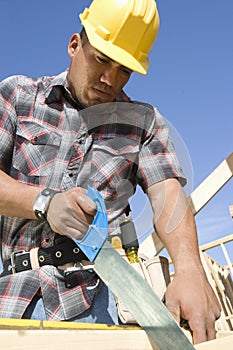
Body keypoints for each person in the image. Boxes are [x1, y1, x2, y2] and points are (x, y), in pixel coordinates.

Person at [0, 0, 220, 345]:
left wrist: (190, 270)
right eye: (101, 60)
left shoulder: (144, 123)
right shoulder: (17, 96)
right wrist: (44, 202)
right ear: (75, 45)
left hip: (102, 299)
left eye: (123, 70)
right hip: (12, 300)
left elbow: (168, 195)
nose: (109, 79)